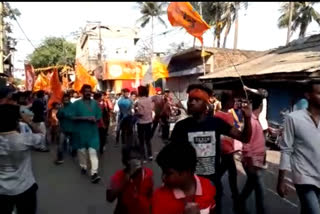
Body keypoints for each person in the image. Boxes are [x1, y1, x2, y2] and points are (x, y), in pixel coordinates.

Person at [170, 84, 252, 214]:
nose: (192, 102)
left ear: (206, 104)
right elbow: (172, 156)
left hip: (212, 183)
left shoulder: (216, 123)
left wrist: (247, 118)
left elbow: (245, 138)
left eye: (197, 100)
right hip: (188, 185)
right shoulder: (181, 127)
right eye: (190, 99)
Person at [277, 80, 320, 214]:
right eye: (319, 93)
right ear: (308, 95)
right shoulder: (294, 118)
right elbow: (286, 149)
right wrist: (281, 180)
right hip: (303, 176)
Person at [0, 104, 46, 214]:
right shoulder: (24, 139)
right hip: (25, 187)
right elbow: (42, 135)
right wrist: (29, 122)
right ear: (16, 122)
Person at [152, 141, 217, 214]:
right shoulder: (160, 197)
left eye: (168, 173)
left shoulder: (208, 186)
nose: (163, 178)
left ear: (186, 172)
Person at [237, 92, 267, 214]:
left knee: (250, 187)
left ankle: (239, 204)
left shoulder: (254, 121)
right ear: (260, 106)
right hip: (252, 162)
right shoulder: (252, 122)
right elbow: (247, 145)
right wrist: (250, 165)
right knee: (260, 191)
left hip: (256, 161)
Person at [106, 146, 153, 214]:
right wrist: (123, 182)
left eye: (139, 157)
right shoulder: (118, 176)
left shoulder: (147, 175)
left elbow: (150, 198)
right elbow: (109, 198)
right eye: (135, 158)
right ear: (127, 161)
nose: (138, 160)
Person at [71, 84, 102, 183]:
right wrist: (84, 118)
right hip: (80, 133)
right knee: (82, 153)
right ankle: (83, 166)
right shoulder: (76, 104)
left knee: (93, 153)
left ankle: (94, 173)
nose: (88, 93)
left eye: (89, 91)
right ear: (82, 92)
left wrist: (95, 119)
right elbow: (72, 117)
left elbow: (98, 116)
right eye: (86, 91)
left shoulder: (95, 104)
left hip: (93, 133)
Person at [214, 91, 239, 209]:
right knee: (232, 172)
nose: (234, 102)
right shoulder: (217, 116)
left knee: (223, 170)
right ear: (227, 102)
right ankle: (236, 197)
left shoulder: (229, 114)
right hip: (224, 148)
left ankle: (214, 184)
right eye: (232, 100)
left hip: (230, 148)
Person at [135, 86, 154, 161]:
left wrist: (136, 112)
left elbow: (141, 113)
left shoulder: (139, 101)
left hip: (141, 122)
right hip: (149, 122)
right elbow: (152, 107)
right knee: (148, 140)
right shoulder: (149, 99)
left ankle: (143, 156)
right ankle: (150, 155)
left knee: (141, 140)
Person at [55, 93, 75, 164]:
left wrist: (68, 115)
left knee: (73, 144)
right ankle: (60, 158)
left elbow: (76, 116)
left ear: (69, 99)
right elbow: (58, 116)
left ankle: (73, 152)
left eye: (67, 99)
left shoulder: (73, 106)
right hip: (63, 129)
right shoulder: (61, 108)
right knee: (60, 144)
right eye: (64, 99)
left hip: (72, 129)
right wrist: (61, 113)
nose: (66, 101)